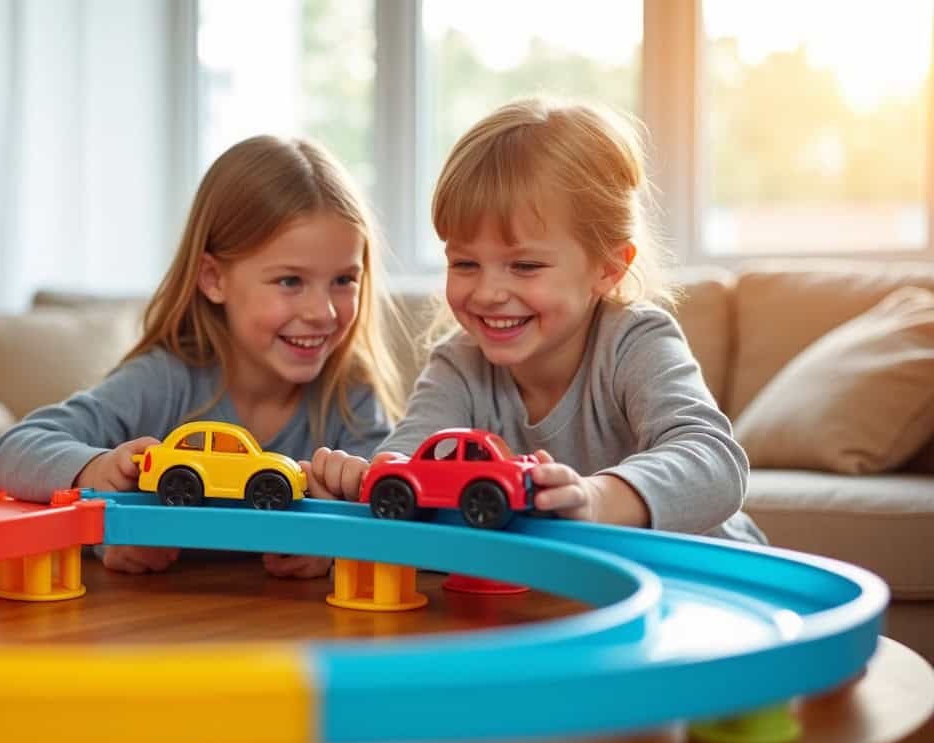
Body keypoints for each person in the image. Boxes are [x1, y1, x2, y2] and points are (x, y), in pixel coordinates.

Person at [308, 98, 764, 544]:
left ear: (608, 268)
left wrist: (594, 498)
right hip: (577, 586)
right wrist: (362, 484)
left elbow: (715, 463)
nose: (487, 293)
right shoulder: (459, 364)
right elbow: (409, 458)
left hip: (712, 575)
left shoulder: (634, 341)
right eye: (465, 264)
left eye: (525, 266)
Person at [0, 135, 406, 575]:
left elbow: (395, 519)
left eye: (344, 280)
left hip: (288, 632)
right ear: (213, 278)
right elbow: (6, 455)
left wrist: (336, 549)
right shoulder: (165, 380)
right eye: (290, 281)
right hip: (156, 629)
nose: (324, 312)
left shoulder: (349, 396)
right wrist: (100, 493)